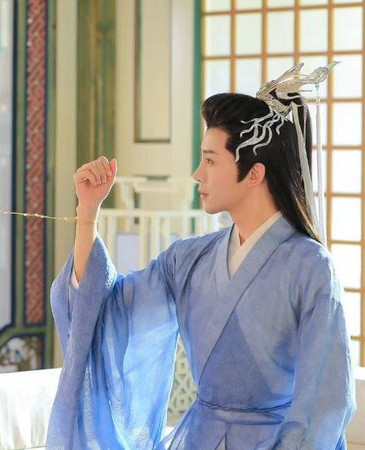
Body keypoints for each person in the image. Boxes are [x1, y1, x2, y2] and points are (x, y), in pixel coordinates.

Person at [47, 66, 355, 449]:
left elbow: (325, 403)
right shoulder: (188, 259)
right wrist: (88, 212)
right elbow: (107, 315)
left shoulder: (310, 267)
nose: (197, 174)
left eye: (210, 161)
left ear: (254, 174)